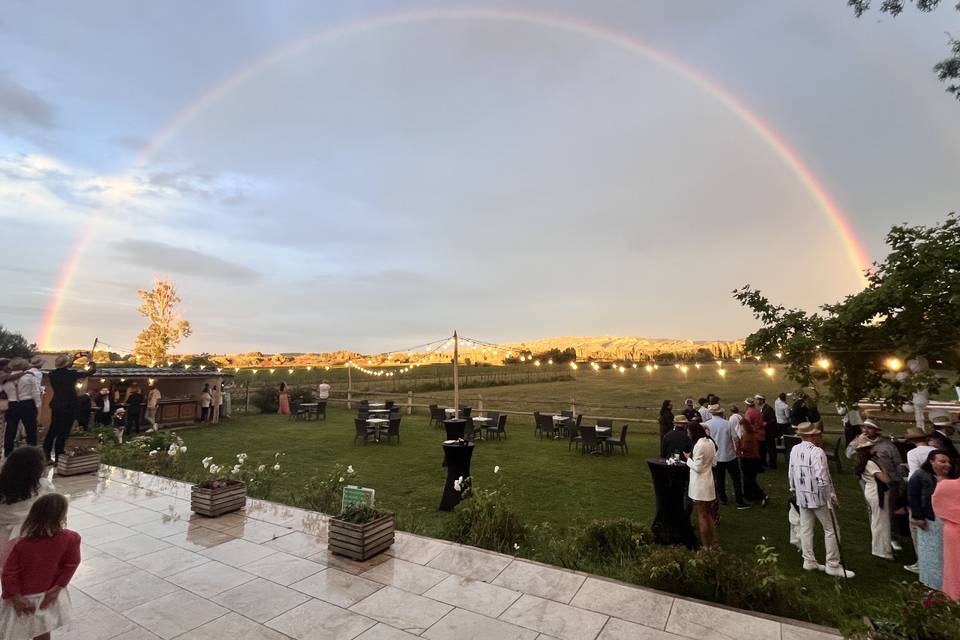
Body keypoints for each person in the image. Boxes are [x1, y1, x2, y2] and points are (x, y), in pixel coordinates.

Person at [0, 493, 80, 640]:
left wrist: (15, 596)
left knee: (14, 631)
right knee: (42, 630)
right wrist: (58, 587)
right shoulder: (71, 538)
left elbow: (9, 573)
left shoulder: (22, 544)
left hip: (23, 598)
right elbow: (72, 564)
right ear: (62, 516)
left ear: (33, 515)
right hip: (48, 596)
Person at [788, 422, 853, 577]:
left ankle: (809, 560)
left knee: (806, 528)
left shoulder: (795, 449)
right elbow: (822, 478)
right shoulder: (817, 452)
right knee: (831, 529)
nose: (819, 436)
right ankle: (833, 564)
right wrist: (829, 497)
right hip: (817, 497)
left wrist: (794, 489)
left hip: (802, 495)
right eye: (816, 434)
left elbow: (791, 472)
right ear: (811, 436)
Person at [0, 447, 54, 569]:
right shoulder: (44, 487)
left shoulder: (2, 486)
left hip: (2, 538)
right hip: (27, 538)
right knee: (15, 574)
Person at [909, 450, 954, 591]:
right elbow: (913, 496)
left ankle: (949, 581)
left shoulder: (953, 477)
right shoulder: (920, 476)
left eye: (948, 462)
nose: (947, 465)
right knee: (932, 551)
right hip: (930, 518)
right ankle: (932, 582)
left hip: (949, 518)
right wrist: (918, 516)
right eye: (942, 461)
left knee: (948, 551)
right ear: (931, 461)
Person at [42, 355, 95, 465]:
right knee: (64, 431)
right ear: (67, 364)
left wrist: (71, 360)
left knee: (53, 430)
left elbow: (64, 367)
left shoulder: (52, 374)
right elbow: (91, 372)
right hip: (69, 405)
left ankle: (46, 455)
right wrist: (91, 361)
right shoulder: (72, 374)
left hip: (57, 404)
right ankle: (58, 457)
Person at [853, 435, 894, 560]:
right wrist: (883, 468)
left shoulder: (863, 462)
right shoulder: (871, 463)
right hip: (876, 492)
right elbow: (885, 479)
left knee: (877, 520)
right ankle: (881, 550)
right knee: (881, 521)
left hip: (870, 491)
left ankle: (881, 548)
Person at [903, 428, 938, 574]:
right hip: (937, 489)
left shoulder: (912, 454)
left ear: (911, 441)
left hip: (920, 492)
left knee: (916, 528)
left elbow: (914, 475)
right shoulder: (935, 451)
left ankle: (921, 561)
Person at [705, 404, 747, 508]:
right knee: (736, 478)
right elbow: (736, 439)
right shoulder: (727, 424)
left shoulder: (707, 424)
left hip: (716, 457)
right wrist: (737, 451)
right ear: (721, 413)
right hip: (729, 456)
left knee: (720, 479)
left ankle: (723, 499)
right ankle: (739, 500)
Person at [684, 420, 717, 548]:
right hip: (708, 481)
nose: (688, 435)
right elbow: (714, 462)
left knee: (701, 516)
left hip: (699, 485)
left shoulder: (699, 445)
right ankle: (713, 542)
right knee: (708, 514)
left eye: (688, 432)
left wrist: (688, 459)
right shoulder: (710, 442)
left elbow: (697, 467)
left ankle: (705, 545)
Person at [3, 359, 42, 460]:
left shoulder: (6, 379)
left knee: (10, 431)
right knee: (31, 431)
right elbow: (35, 392)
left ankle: (8, 454)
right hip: (27, 404)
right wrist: (38, 405)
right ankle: (32, 455)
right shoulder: (29, 377)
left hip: (12, 404)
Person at [932, 474, 960, 601]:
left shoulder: (945, 485)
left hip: (952, 529)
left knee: (953, 566)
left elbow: (938, 505)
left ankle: (953, 597)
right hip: (954, 531)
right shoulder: (947, 485)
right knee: (953, 564)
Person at [737, 402, 767, 507]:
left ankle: (761, 494)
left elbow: (744, 448)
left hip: (747, 459)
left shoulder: (746, 436)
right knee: (750, 478)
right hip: (754, 459)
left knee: (748, 479)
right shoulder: (753, 435)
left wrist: (738, 446)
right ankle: (750, 495)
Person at [756, 394, 778, 469]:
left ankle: (772, 464)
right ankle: (763, 462)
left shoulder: (768, 409)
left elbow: (773, 420)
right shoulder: (761, 408)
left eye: (758, 399)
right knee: (763, 448)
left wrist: (766, 423)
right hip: (763, 432)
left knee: (771, 448)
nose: (757, 401)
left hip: (769, 432)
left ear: (762, 400)